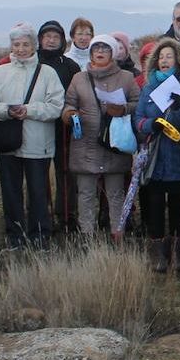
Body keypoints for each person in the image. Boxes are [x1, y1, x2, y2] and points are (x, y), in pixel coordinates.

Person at [0, 24, 66, 247]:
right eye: (16, 44)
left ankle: (40, 235)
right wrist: (6, 110)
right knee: (11, 193)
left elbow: (56, 106)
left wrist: (30, 110)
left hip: (38, 143)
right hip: (8, 142)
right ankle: (15, 235)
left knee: (38, 192)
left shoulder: (47, 73)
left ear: (34, 46)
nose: (20, 49)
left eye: (25, 44)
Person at [63, 35, 140, 242]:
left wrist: (123, 109)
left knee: (115, 193)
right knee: (86, 193)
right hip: (85, 143)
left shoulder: (126, 77)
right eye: (96, 48)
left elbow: (138, 103)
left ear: (113, 53)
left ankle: (118, 233)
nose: (100, 51)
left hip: (114, 143)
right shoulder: (79, 78)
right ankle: (87, 236)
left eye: (105, 49)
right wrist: (70, 115)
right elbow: (69, 104)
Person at [134, 37, 180, 271]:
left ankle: (176, 252)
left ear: (179, 61)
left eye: (169, 56)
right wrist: (151, 124)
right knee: (154, 205)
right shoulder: (148, 89)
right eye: (161, 57)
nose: (164, 60)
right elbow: (138, 120)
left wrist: (178, 106)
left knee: (176, 206)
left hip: (179, 157)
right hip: (154, 158)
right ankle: (157, 254)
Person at [37, 20, 82, 231]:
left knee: (66, 171)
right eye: (47, 37)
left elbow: (76, 95)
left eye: (56, 37)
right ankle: (41, 214)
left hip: (63, 125)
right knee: (39, 172)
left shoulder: (70, 65)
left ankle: (67, 215)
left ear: (62, 40)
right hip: (37, 124)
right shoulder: (33, 63)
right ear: (40, 39)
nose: (52, 40)